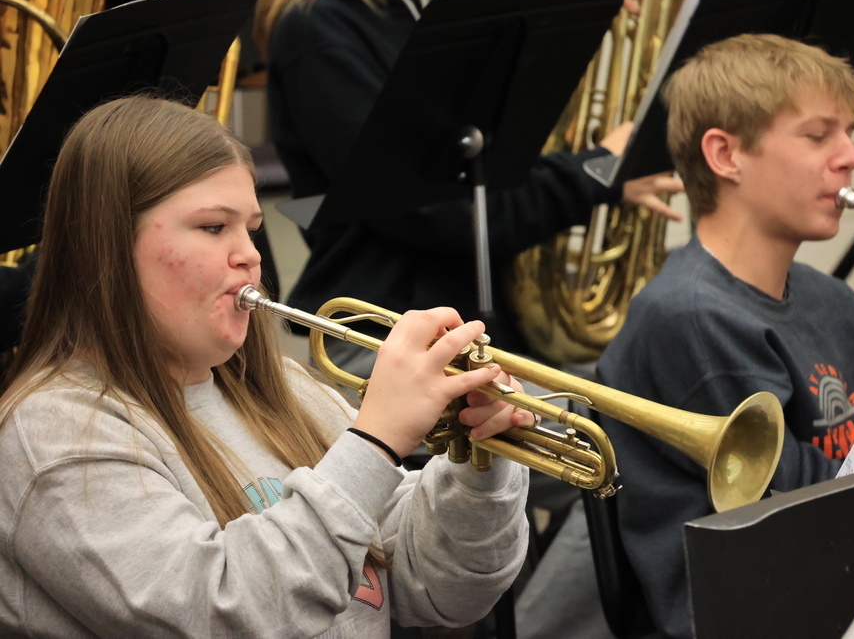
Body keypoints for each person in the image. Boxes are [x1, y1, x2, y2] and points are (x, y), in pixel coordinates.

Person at [0, 95, 536, 638]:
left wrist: (478, 470)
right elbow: (222, 615)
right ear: (108, 247)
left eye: (251, 228)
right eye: (213, 228)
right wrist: (374, 441)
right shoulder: (54, 434)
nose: (250, 255)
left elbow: (439, 592)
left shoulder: (291, 392)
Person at [595, 33, 854, 639]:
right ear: (725, 155)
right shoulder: (690, 319)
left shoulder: (833, 300)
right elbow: (845, 534)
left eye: (849, 133)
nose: (849, 156)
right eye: (819, 135)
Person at [252, 0, 683, 374]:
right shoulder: (316, 28)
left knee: (653, 366)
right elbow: (437, 213)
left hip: (486, 323)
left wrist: (578, 18)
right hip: (388, 338)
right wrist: (592, 174)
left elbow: (509, 150)